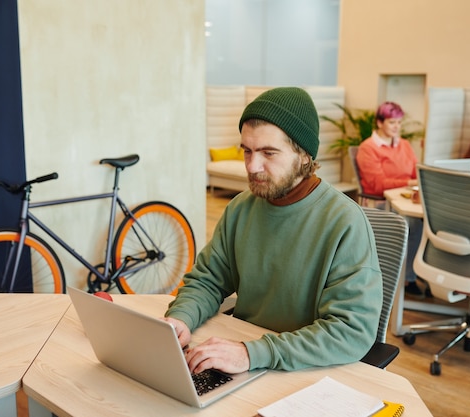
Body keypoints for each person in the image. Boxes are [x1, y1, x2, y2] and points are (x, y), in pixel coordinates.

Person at [163, 87, 382, 375]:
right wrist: (181, 318)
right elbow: (208, 280)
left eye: (268, 152)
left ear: (303, 155)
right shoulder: (241, 208)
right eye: (247, 151)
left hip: (306, 370)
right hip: (249, 358)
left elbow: (351, 331)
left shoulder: (344, 222)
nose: (253, 167)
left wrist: (253, 353)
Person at [355, 101, 424, 297]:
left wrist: (411, 182)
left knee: (424, 222)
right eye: (392, 122)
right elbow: (377, 184)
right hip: (379, 203)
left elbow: (416, 173)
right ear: (379, 122)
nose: (397, 127)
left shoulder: (404, 145)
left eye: (399, 123)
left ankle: (410, 274)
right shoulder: (368, 148)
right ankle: (405, 279)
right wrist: (408, 182)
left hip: (404, 200)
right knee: (413, 224)